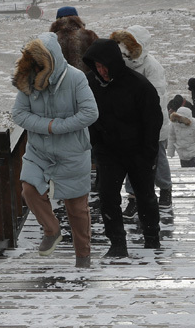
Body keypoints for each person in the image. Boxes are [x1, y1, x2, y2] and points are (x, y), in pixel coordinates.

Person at [11, 32, 99, 267]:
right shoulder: (28, 79)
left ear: (52, 60)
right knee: (29, 190)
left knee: (77, 208)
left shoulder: (75, 78)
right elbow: (18, 114)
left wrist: (57, 127)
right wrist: (46, 126)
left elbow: (91, 113)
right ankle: (51, 231)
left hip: (72, 152)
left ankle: (83, 256)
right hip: (39, 151)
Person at [82, 38, 163, 257]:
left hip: (138, 152)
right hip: (108, 152)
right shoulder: (90, 84)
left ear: (114, 62)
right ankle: (117, 242)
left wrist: (149, 154)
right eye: (96, 67)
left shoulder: (139, 85)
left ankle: (152, 238)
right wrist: (93, 142)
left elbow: (153, 121)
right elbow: (85, 114)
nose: (101, 71)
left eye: (104, 66)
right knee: (108, 197)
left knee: (145, 196)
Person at [110, 26, 174, 214]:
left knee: (158, 159)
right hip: (129, 123)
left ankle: (165, 189)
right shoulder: (121, 63)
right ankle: (133, 197)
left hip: (153, 124)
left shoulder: (152, 66)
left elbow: (156, 97)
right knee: (132, 160)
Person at [49, 5, 97, 74]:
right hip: (87, 82)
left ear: (57, 21)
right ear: (77, 18)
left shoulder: (51, 41)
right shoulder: (89, 35)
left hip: (61, 83)